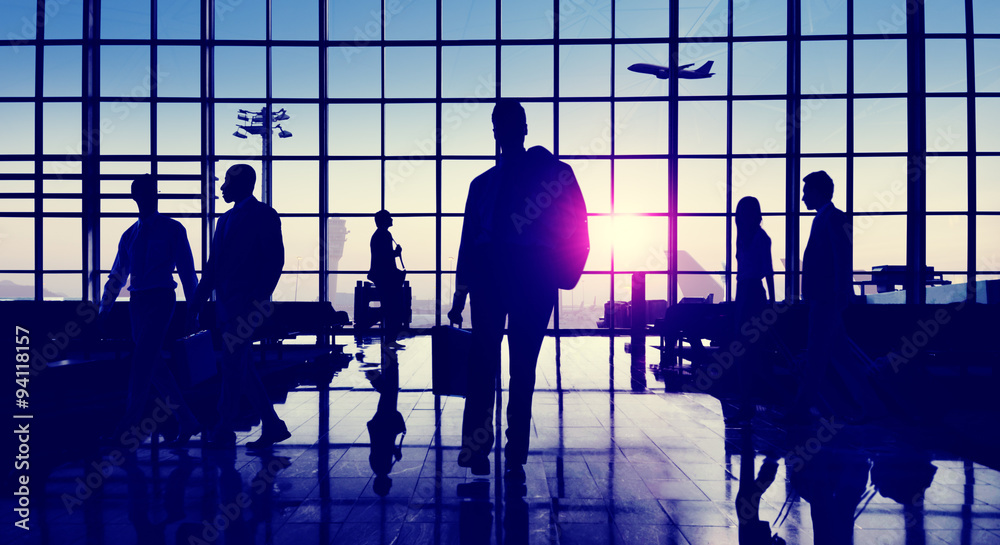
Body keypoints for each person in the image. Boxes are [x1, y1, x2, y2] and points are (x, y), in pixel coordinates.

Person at [447, 99, 589, 485]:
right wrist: (562, 270)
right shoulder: (544, 176)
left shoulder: (489, 184)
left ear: (519, 129)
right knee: (513, 365)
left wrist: (462, 293)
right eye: (500, 126)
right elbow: (578, 223)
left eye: (505, 126)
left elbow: (469, 244)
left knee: (490, 363)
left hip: (507, 273)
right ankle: (511, 452)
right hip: (525, 274)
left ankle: (490, 449)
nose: (503, 133)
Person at [99, 174, 202, 446]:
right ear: (135, 197)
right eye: (141, 193)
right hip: (138, 302)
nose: (146, 198)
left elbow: (187, 271)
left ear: (156, 195)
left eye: (149, 193)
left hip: (160, 299)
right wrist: (104, 308)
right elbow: (117, 274)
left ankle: (126, 429)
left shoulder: (173, 229)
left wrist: (194, 309)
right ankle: (188, 420)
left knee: (142, 362)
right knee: (154, 366)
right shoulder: (130, 235)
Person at [192, 164, 289, 448]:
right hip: (227, 306)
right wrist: (196, 303)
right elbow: (212, 267)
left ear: (244, 184)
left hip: (246, 306)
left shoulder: (264, 215)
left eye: (226, 182)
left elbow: (274, 261)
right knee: (242, 367)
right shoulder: (224, 221)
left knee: (234, 366)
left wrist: (257, 299)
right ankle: (272, 425)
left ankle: (224, 427)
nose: (221, 188)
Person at [795, 170, 880, 421]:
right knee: (840, 358)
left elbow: (842, 259)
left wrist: (841, 293)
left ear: (818, 192)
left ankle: (802, 407)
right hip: (825, 299)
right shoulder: (826, 219)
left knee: (816, 356)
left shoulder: (834, 219)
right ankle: (873, 407)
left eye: (806, 192)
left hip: (826, 300)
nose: (802, 198)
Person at [733, 196, 775, 422]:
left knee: (749, 349)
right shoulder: (744, 236)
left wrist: (771, 303)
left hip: (752, 294)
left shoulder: (761, 238)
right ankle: (746, 401)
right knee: (744, 349)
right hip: (744, 292)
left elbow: (768, 270)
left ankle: (749, 402)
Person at [368, 210, 406, 348]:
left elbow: (381, 256)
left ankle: (389, 339)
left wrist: (394, 254)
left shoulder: (378, 235)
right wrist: (396, 253)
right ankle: (390, 339)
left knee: (389, 307)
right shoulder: (385, 234)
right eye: (389, 217)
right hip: (387, 277)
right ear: (384, 220)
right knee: (393, 308)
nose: (392, 219)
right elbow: (385, 257)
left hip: (381, 276)